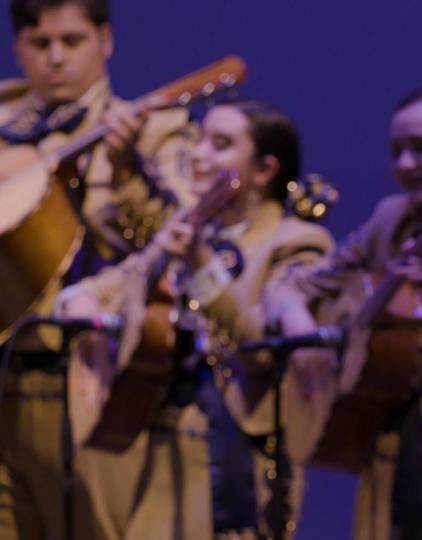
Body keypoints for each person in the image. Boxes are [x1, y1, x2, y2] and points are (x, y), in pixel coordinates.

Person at [58, 100, 334, 539]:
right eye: (201, 139)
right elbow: (112, 286)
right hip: (166, 449)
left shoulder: (297, 245)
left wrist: (201, 263)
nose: (199, 154)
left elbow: (256, 347)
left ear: (263, 170)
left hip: (240, 459)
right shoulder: (195, 230)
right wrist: (81, 300)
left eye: (220, 145)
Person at [266, 86, 422, 540]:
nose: (405, 165)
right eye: (396, 152)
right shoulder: (392, 219)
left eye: (421, 148)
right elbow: (290, 285)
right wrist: (305, 335)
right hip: (382, 443)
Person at [0, 0, 192, 538]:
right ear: (19, 48)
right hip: (5, 376)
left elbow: (179, 241)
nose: (56, 58)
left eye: (72, 40)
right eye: (40, 44)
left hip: (94, 379)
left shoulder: (156, 129)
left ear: (105, 41)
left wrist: (129, 172)